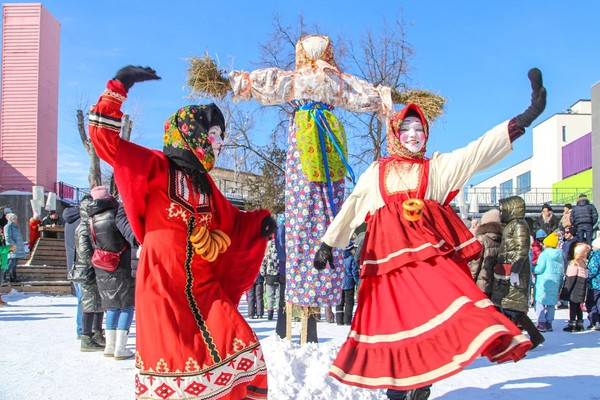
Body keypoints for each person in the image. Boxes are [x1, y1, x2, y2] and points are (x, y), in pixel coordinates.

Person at [313, 68, 546, 399]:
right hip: (388, 267)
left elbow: (476, 152)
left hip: (428, 265)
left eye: (419, 128)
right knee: (394, 330)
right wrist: (328, 242)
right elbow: (353, 205)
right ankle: (397, 391)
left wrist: (524, 118)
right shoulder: (377, 171)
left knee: (438, 320)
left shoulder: (435, 168)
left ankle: (422, 383)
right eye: (405, 128)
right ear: (395, 133)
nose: (412, 134)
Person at [89, 66, 275, 399]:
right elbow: (106, 141)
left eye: (220, 137)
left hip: (204, 286)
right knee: (176, 367)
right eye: (213, 135)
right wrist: (118, 86)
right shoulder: (156, 166)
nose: (217, 144)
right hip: (162, 284)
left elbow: (232, 221)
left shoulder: (207, 188)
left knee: (243, 346)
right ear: (192, 133)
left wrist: (259, 224)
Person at [87, 186, 136, 360]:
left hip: (102, 265)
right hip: (120, 263)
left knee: (112, 305)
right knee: (127, 305)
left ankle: (110, 345)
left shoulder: (91, 219)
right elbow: (128, 236)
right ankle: (121, 347)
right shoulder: (116, 215)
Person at [492, 196, 545, 348]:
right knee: (505, 306)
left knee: (513, 308)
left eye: (503, 209)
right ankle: (513, 337)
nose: (501, 212)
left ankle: (535, 336)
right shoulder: (511, 225)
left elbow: (521, 249)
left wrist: (515, 270)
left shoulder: (519, 225)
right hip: (506, 270)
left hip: (514, 272)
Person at [75, 195, 106, 351]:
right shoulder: (83, 228)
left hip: (96, 268)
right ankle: (86, 337)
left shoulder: (91, 225)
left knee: (99, 303)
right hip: (88, 270)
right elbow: (85, 251)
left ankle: (97, 332)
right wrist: (96, 261)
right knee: (89, 304)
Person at [532, 232, 564, 332]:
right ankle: (549, 323)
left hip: (544, 281)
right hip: (555, 282)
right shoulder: (560, 255)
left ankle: (541, 322)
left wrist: (533, 269)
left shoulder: (544, 255)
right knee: (551, 303)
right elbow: (562, 270)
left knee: (540, 301)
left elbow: (540, 269)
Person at [469, 209, 503, 299]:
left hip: (482, 284)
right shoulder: (503, 239)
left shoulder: (482, 238)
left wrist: (470, 281)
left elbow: (476, 264)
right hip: (497, 284)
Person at [63, 203, 83, 339]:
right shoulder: (82, 221)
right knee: (84, 300)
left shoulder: (68, 221)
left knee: (81, 299)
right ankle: (82, 330)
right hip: (82, 266)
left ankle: (81, 328)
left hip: (72, 265)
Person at [562, 242, 591, 332]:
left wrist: (565, 291)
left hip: (573, 290)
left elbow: (570, 279)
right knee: (578, 307)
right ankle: (580, 324)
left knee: (573, 307)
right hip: (581, 290)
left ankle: (572, 324)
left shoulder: (573, 264)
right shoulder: (583, 265)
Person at [336, 241, 359, 325]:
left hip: (339, 283)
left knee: (339, 303)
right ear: (350, 249)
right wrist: (357, 282)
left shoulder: (338, 258)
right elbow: (354, 272)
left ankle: (339, 320)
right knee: (349, 302)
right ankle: (347, 320)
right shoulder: (351, 259)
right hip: (349, 283)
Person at [274, 216, 287, 338]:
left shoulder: (277, 229)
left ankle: (281, 331)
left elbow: (279, 247)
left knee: (282, 301)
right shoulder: (284, 229)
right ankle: (282, 331)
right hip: (289, 266)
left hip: (282, 266)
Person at [261, 236, 280, 320]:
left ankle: (270, 314)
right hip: (279, 276)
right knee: (279, 296)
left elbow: (263, 264)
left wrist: (263, 273)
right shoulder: (280, 254)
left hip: (269, 277)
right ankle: (279, 313)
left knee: (270, 296)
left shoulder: (267, 255)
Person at [3, 213, 25, 283]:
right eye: (15, 218)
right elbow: (7, 237)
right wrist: (14, 244)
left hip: (17, 248)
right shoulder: (8, 226)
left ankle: (13, 278)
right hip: (12, 247)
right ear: (11, 219)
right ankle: (3, 275)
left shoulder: (15, 227)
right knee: (11, 262)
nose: (16, 220)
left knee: (14, 263)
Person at [585, 237, 600, 330]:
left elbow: (592, 270)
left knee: (591, 303)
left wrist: (586, 277)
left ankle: (595, 321)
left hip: (594, 284)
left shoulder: (595, 256)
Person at [0, 236, 16, 305]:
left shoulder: (1, 238)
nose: (1, 230)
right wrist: (8, 248)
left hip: (2, 263)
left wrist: (9, 250)